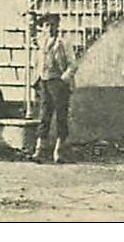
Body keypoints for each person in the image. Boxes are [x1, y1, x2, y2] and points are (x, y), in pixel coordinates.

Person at [30, 15, 75, 163]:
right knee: (44, 115)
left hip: (58, 83)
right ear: (42, 27)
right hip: (44, 82)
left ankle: (58, 151)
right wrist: (36, 79)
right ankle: (39, 150)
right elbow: (37, 63)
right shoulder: (41, 43)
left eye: (53, 24)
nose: (50, 28)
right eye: (47, 25)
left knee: (61, 116)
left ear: (58, 26)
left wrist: (63, 79)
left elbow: (72, 64)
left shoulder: (63, 43)